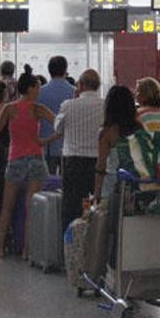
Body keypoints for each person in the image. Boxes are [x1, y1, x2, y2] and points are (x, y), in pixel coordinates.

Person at [0, 70, 55, 259]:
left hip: (15, 160)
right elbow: (60, 124)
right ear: (30, 89)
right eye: (37, 88)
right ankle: (27, 251)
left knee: (7, 205)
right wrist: (46, 141)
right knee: (30, 207)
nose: (39, 91)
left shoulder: (10, 108)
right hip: (36, 160)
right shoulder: (38, 109)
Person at [53, 69, 105, 229]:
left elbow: (58, 128)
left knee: (71, 204)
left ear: (80, 85)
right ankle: (89, 237)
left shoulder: (68, 105)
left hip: (73, 162)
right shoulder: (105, 105)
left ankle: (70, 243)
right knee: (92, 202)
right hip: (97, 163)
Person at [94, 86, 140, 201]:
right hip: (136, 183)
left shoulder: (107, 132)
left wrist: (97, 194)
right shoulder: (139, 128)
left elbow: (101, 166)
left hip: (112, 186)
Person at [38, 56, 74, 175]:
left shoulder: (40, 92)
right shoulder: (74, 92)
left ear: (49, 70)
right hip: (69, 146)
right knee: (68, 183)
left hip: (47, 145)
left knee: (48, 184)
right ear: (65, 70)